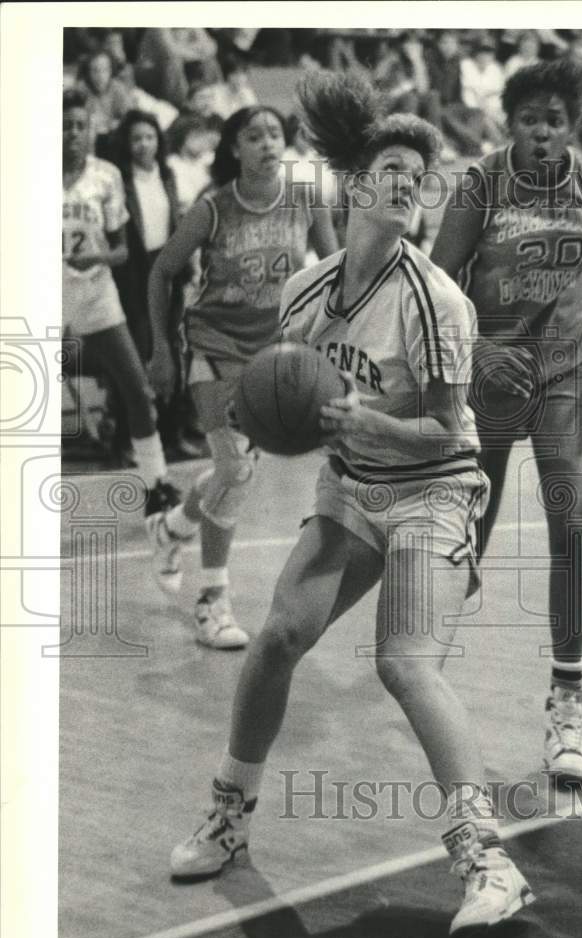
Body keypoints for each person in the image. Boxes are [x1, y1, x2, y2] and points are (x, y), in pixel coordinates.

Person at [168, 69, 534, 938]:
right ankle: (229, 817)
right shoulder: (304, 291)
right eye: (394, 170)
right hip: (354, 488)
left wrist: (364, 417)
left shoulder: (435, 298)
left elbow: (450, 427)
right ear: (357, 186)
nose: (410, 184)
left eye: (421, 174)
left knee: (403, 660)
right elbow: (285, 391)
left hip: (437, 490)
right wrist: (276, 420)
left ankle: (489, 859)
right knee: (278, 637)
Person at [431, 60, 582, 784]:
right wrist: (445, 374)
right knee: (465, 535)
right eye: (530, 118)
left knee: (570, 524)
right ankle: (423, 677)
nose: (542, 130)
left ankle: (568, 704)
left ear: (573, 126)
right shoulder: (481, 186)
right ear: (511, 123)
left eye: (555, 120)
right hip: (491, 374)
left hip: (566, 372)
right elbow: (439, 283)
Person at [146, 105, 339, 649]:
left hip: (274, 352)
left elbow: (335, 273)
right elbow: (163, 271)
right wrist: (161, 347)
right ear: (234, 148)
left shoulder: (305, 198)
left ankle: (172, 528)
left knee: (235, 472)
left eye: (274, 134)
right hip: (213, 343)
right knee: (236, 470)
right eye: (253, 136)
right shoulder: (213, 208)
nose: (266, 144)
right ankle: (213, 602)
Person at [61, 90, 180, 521]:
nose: (73, 133)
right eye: (65, 125)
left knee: (137, 389)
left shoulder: (107, 176)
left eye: (80, 125)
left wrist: (95, 257)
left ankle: (157, 483)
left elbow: (122, 251)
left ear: (91, 130)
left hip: (95, 292)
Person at [111, 110, 200, 462]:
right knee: (137, 355)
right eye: (136, 138)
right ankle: (126, 439)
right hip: (136, 272)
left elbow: (176, 222)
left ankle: (172, 434)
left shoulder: (167, 174)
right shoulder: (120, 179)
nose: (143, 144)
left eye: (149, 137)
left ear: (158, 141)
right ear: (127, 143)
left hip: (169, 265)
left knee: (174, 349)